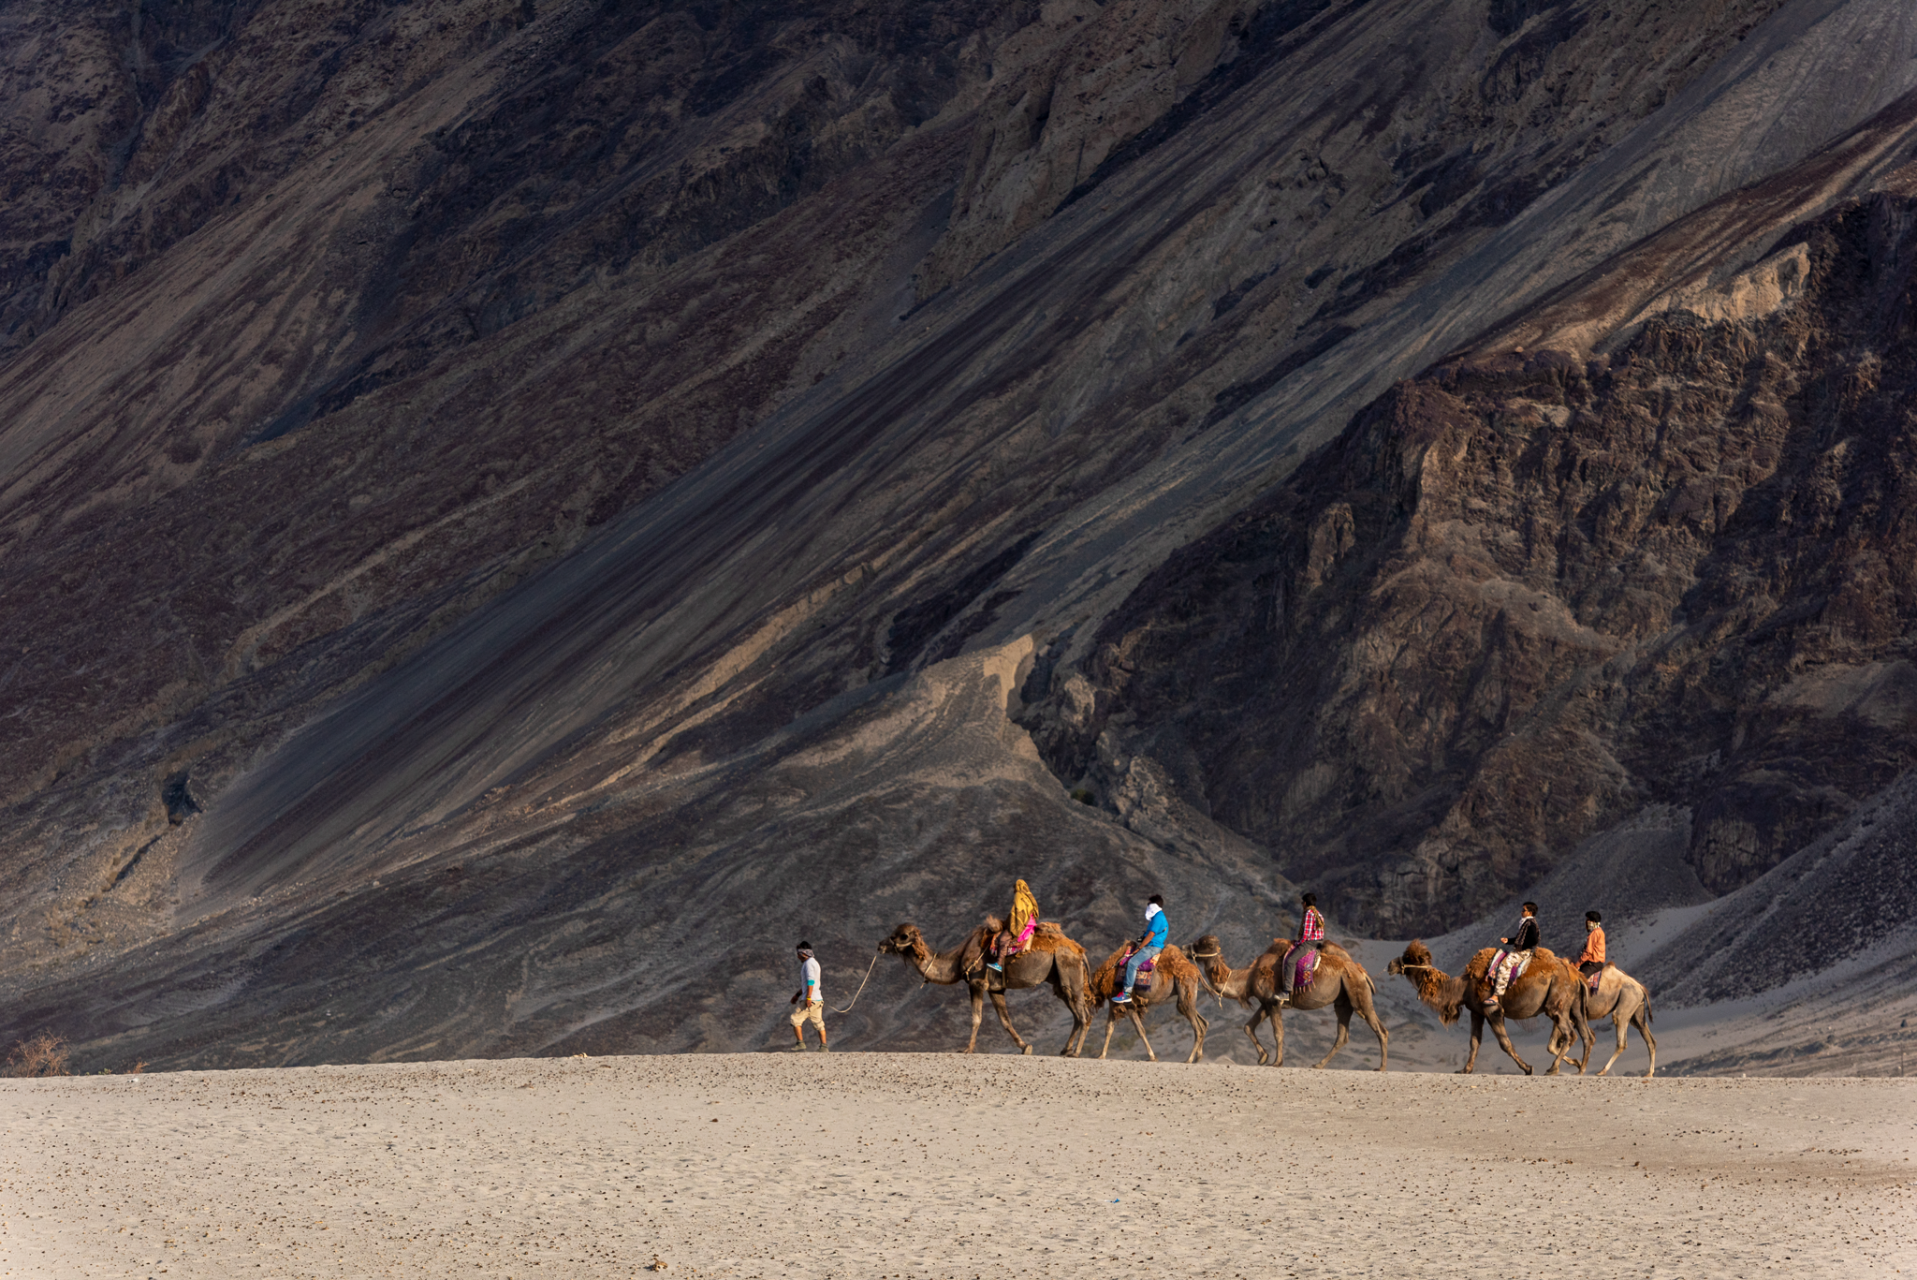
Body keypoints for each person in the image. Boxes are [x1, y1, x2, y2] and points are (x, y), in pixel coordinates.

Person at [1112, 894, 1168, 1004]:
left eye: (1149, 904)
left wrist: (1140, 947)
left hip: (1152, 947)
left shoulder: (1158, 918)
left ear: (1153, 905)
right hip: (1152, 946)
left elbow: (1151, 934)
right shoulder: (1158, 917)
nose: (1147, 906)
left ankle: (1126, 993)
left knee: (1132, 963)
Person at [1487, 902, 1540, 1011]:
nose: (1521, 912)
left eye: (1523, 910)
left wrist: (1522, 947)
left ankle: (1496, 995)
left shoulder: (1530, 924)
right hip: (1520, 950)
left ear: (1530, 912)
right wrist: (1508, 941)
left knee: (1504, 965)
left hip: (1522, 952)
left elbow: (1533, 940)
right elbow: (1520, 938)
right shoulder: (1526, 923)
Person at [1278, 892, 1327, 1002]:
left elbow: (1307, 933)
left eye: (1302, 903)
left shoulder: (1309, 913)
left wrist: (1299, 943)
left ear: (1305, 903)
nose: (1302, 905)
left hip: (1310, 943)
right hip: (1318, 942)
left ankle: (1286, 991)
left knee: (1291, 961)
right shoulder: (1318, 914)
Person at [987, 879, 1040, 972]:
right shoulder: (1028, 897)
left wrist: (1011, 926)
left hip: (1020, 923)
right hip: (1029, 924)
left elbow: (1016, 913)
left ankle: (999, 964)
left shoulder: (1018, 896)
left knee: (1002, 939)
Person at [789, 941, 828, 1052]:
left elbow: (810, 981)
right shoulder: (814, 962)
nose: (797, 957)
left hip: (811, 999)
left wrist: (808, 997)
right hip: (818, 999)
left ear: (803, 954)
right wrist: (797, 995)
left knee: (795, 1019)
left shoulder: (808, 964)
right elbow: (808, 984)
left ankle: (800, 1043)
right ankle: (824, 1047)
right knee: (819, 1023)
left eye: (798, 954)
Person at [1576, 911, 1606, 994]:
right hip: (1595, 963)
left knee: (1578, 981)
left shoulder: (1594, 933)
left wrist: (1577, 964)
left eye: (1589, 920)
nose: (1587, 922)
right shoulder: (1599, 931)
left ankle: (1581, 1004)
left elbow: (1588, 952)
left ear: (1594, 921)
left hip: (1593, 964)